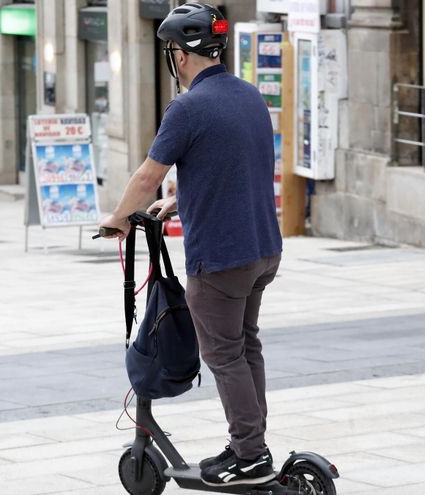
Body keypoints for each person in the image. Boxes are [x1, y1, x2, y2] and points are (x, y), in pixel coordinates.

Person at [98, 2, 282, 487]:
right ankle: (248, 444)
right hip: (263, 248)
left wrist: (118, 221)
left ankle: (252, 456)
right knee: (245, 346)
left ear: (179, 56)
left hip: (220, 257)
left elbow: (147, 175)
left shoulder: (186, 107)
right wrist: (178, 203)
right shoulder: (249, 96)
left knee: (223, 355)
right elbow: (235, 168)